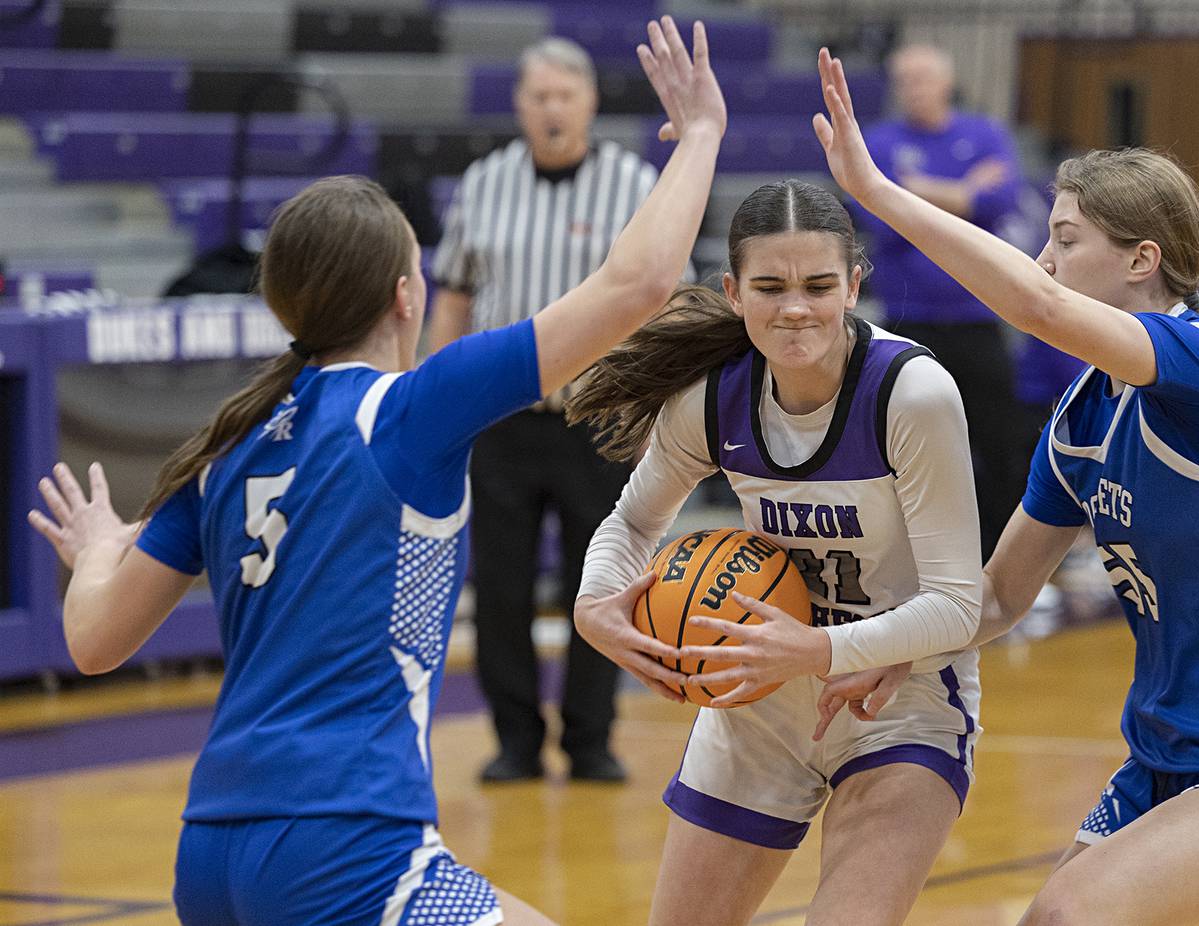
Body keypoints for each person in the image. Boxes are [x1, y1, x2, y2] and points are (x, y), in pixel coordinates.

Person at [25, 18, 724, 925]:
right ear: (406, 292)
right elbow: (638, 285)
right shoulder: (410, 411)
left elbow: (93, 645)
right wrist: (701, 134)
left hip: (210, 854)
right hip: (346, 844)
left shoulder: (227, 444)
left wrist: (94, 554)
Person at [809, 49, 1199, 925]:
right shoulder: (1083, 419)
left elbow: (1035, 309)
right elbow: (1000, 595)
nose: (1042, 259)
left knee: (1068, 918)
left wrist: (881, 192)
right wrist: (889, 647)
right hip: (1165, 752)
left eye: (1065, 238)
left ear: (1140, 260)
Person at [566, 177, 984, 925]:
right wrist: (595, 604)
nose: (795, 307)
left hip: (901, 699)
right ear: (732, 291)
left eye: (819, 284)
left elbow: (959, 606)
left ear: (854, 284)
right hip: (759, 698)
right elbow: (631, 525)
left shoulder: (912, 395)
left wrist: (817, 650)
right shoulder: (711, 397)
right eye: (771, 286)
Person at [429, 36, 668, 783]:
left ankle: (592, 738)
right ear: (520, 106)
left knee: (598, 581)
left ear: (591, 103)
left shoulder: (634, 183)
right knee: (500, 584)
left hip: (600, 418)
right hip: (502, 420)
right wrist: (437, 398)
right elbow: (455, 296)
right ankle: (516, 740)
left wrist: (656, 402)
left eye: (567, 95)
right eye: (540, 96)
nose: (554, 108)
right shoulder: (484, 182)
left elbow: (666, 299)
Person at [853, 42, 1030, 558]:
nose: (914, 89)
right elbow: (878, 212)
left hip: (980, 317)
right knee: (901, 443)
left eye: (923, 78)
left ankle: (1003, 556)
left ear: (946, 82)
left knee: (1000, 442)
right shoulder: (879, 141)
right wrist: (963, 192)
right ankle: (905, 554)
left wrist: (908, 191)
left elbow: (1001, 201)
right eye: (904, 79)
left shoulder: (984, 133)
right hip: (910, 324)